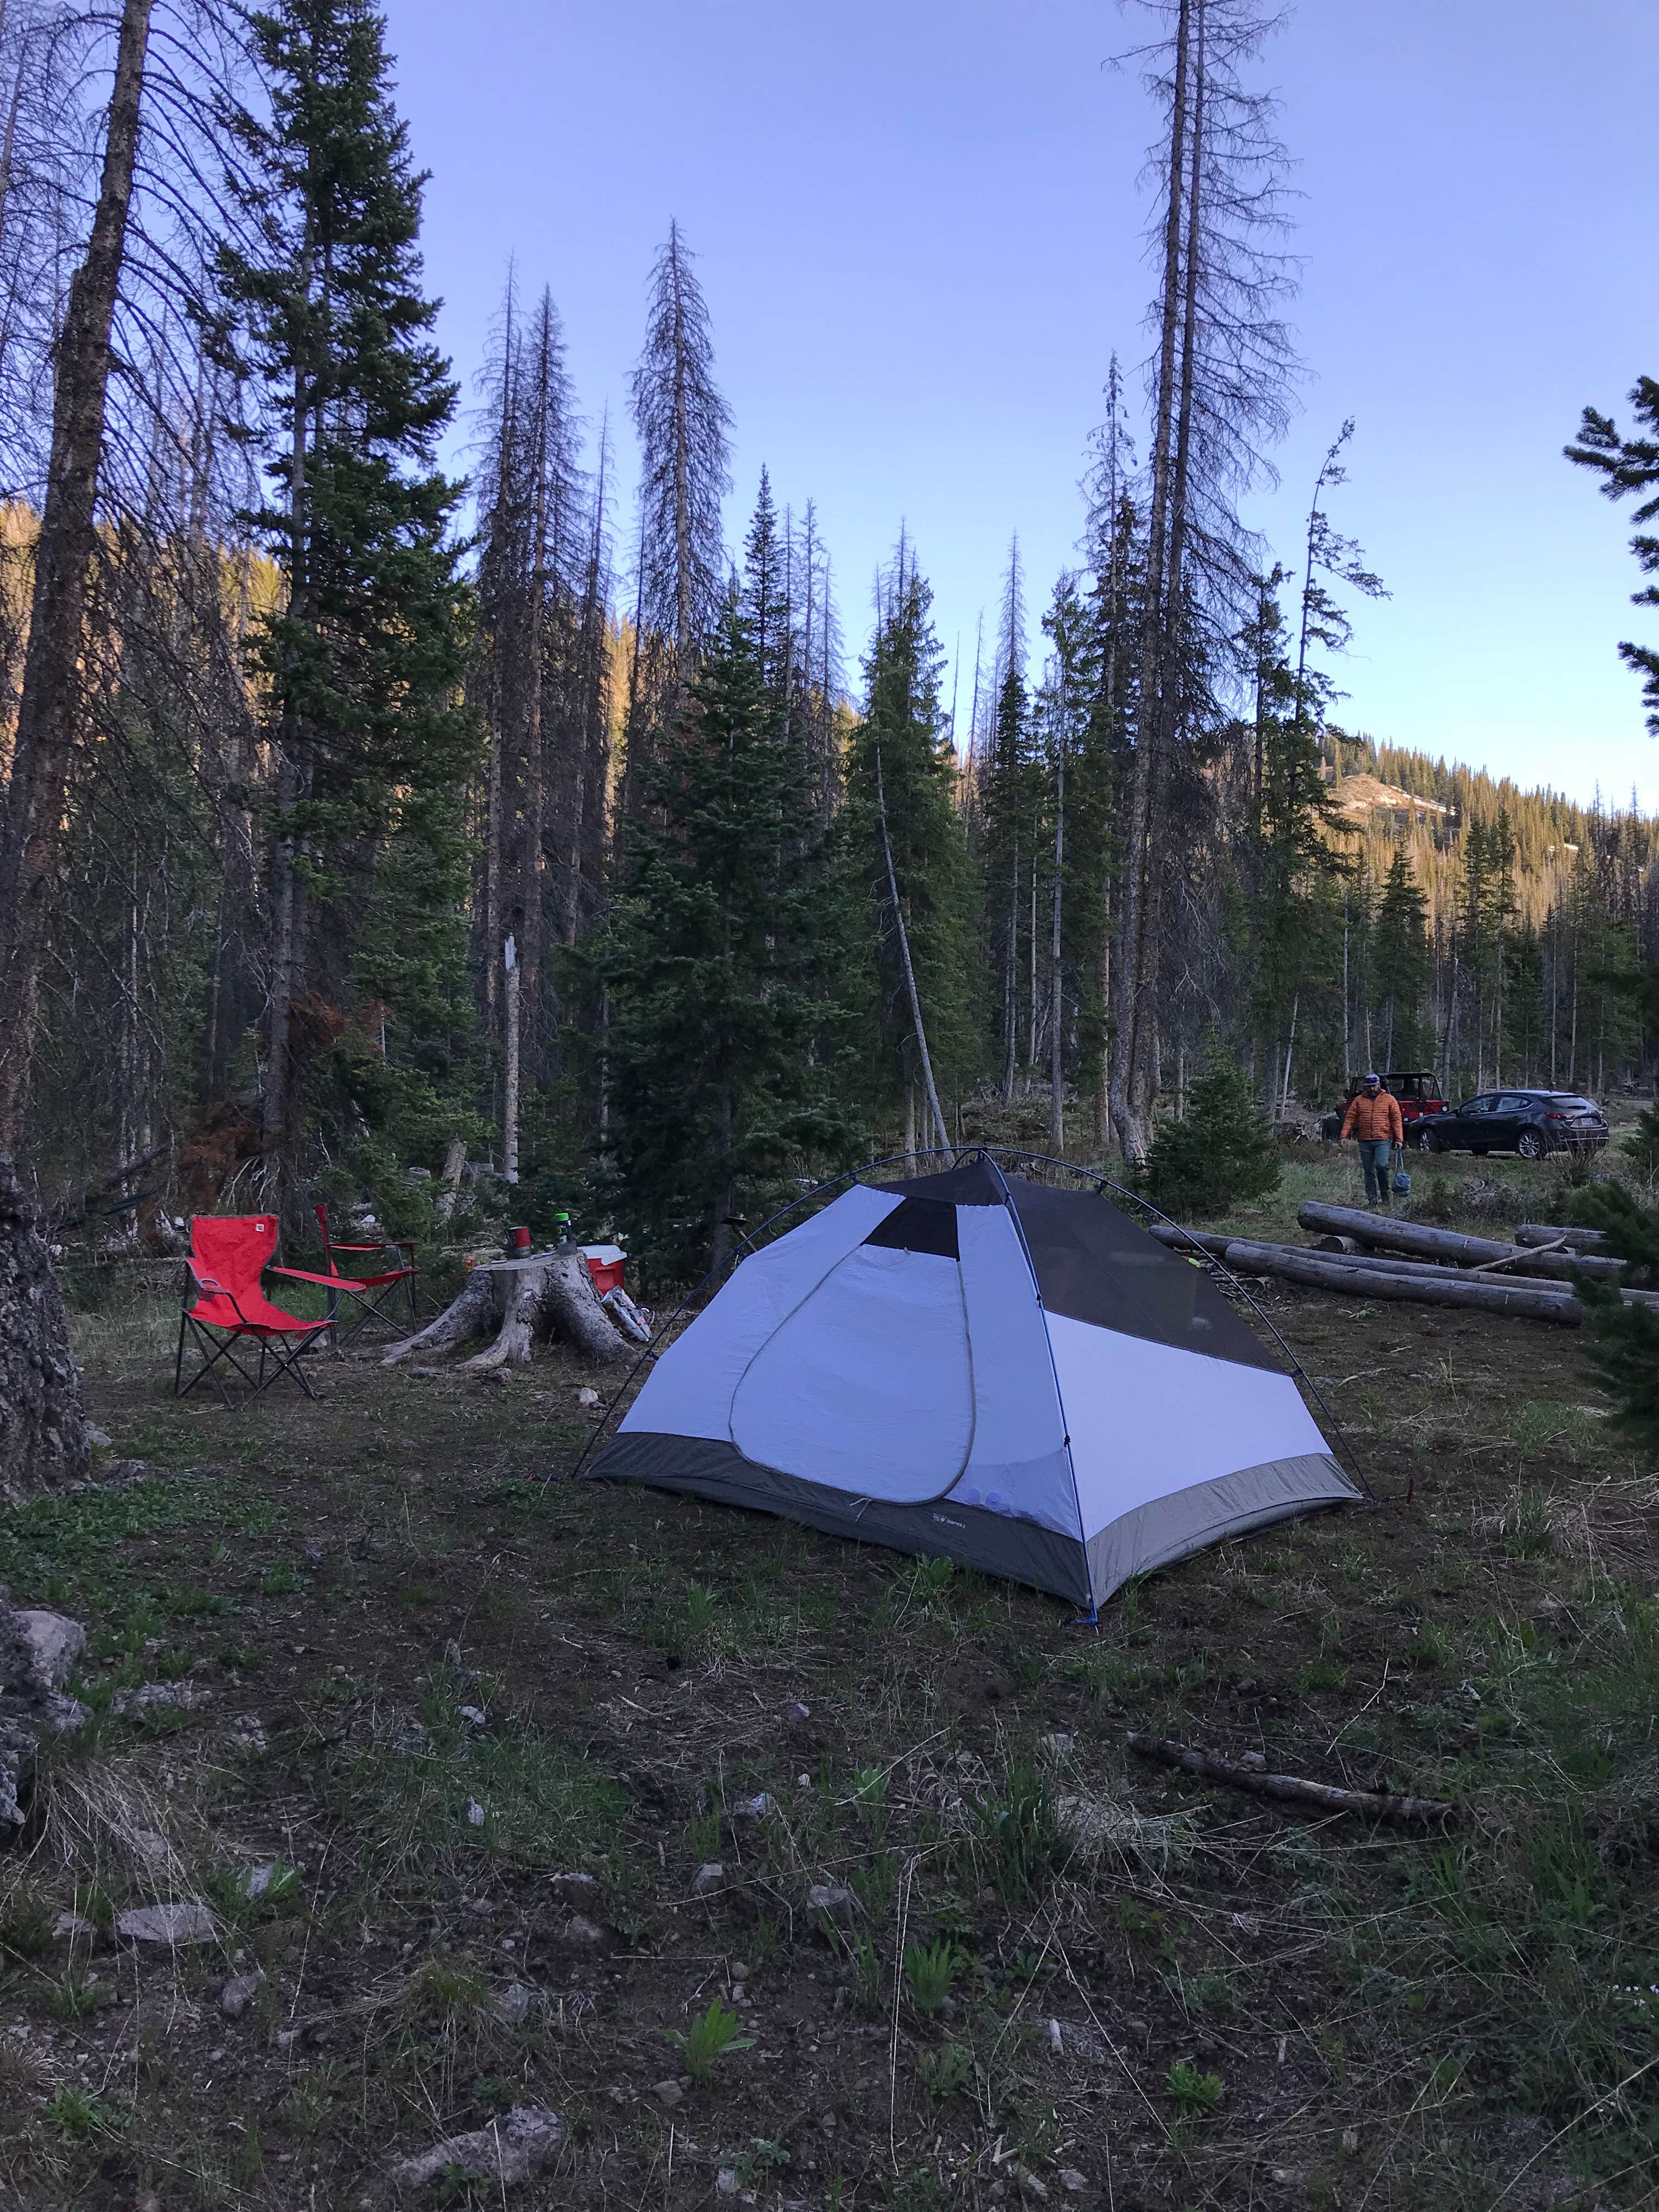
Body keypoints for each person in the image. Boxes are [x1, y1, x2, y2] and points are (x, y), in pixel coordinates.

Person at [1340, 1073, 1404, 1207]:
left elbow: (1396, 1120)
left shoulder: (1390, 1100)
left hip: (1383, 1138)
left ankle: (1385, 1194)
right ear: (1365, 1087)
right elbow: (1350, 1118)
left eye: (1374, 1086)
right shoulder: (1359, 1101)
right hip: (1365, 1140)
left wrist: (1399, 1139)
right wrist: (1344, 1135)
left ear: (1379, 1085)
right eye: (1369, 1087)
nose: (1372, 1089)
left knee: (1381, 1166)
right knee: (1368, 1171)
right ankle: (1372, 1200)